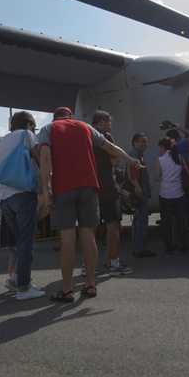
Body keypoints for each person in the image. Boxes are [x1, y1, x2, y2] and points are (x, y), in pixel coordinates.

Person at [37, 106, 140, 302]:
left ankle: (67, 290)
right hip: (89, 187)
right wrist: (130, 159)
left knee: (67, 238)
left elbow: (45, 156)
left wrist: (45, 187)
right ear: (71, 117)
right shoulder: (85, 127)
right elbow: (111, 148)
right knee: (88, 236)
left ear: (55, 118)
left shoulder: (48, 129)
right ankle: (90, 285)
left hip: (64, 188)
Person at [0, 111, 44, 300]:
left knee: (19, 242)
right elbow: (41, 159)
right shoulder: (27, 135)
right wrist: (48, 182)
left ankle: (15, 278)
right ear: (29, 124)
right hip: (23, 195)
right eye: (34, 126)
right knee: (26, 243)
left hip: (4, 198)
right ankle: (24, 287)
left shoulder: (1, 143)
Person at [91, 110, 133, 276]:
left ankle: (89, 266)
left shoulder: (86, 138)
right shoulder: (106, 137)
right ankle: (114, 264)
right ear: (101, 122)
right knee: (113, 226)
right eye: (109, 123)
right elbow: (115, 161)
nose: (110, 126)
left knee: (91, 228)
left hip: (91, 188)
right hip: (108, 188)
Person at [155, 137, 189, 256]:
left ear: (163, 147)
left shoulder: (160, 160)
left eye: (160, 147)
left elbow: (156, 177)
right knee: (181, 222)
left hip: (165, 195)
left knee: (167, 223)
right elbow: (187, 173)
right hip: (179, 194)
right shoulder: (179, 157)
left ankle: (169, 249)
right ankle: (184, 248)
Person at [128, 133, 156, 258]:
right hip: (140, 193)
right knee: (141, 221)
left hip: (142, 191)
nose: (145, 144)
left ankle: (137, 248)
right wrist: (137, 186)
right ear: (134, 142)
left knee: (138, 220)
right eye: (142, 141)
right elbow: (131, 171)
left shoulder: (139, 154)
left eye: (145, 141)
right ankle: (140, 249)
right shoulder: (135, 154)